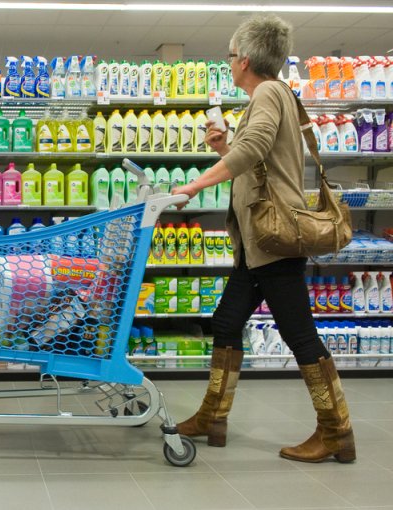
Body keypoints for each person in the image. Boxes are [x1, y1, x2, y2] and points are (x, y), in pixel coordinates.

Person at [170, 14, 355, 463]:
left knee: (300, 335)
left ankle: (336, 432)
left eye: (230, 56)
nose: (229, 63)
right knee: (227, 321)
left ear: (245, 59)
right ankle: (213, 416)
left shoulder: (268, 92)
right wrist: (222, 149)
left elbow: (252, 152)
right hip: (258, 245)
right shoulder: (271, 96)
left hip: (273, 242)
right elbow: (255, 162)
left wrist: (194, 186)